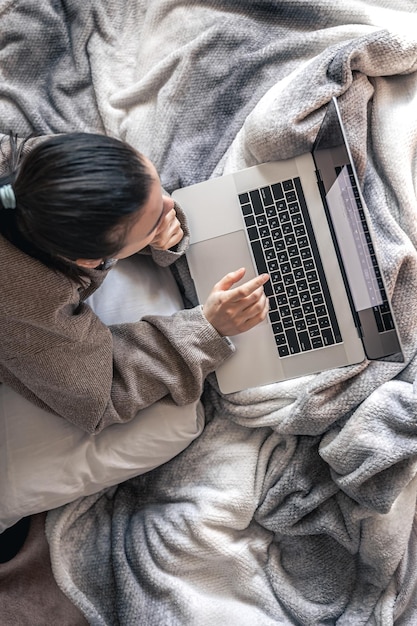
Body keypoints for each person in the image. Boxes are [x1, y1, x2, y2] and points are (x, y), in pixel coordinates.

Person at [0, 132, 269, 434]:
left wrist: (154, 228)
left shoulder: (46, 160)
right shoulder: (30, 305)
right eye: (155, 220)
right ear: (89, 260)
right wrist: (206, 329)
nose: (171, 204)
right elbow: (100, 397)